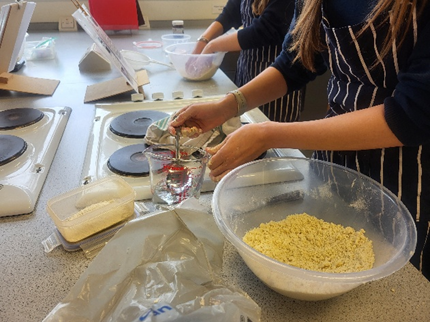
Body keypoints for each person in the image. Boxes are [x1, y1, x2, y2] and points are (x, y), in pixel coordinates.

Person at [170, 0, 430, 280]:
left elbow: (412, 115)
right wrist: (228, 106)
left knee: (395, 289)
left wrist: (269, 134)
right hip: (333, 165)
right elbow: (295, 63)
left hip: (405, 181)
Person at [194, 0, 304, 122]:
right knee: (243, 124)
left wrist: (212, 46)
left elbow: (264, 30)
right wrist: (203, 40)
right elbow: (232, 11)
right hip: (246, 70)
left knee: (270, 133)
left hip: (277, 81)